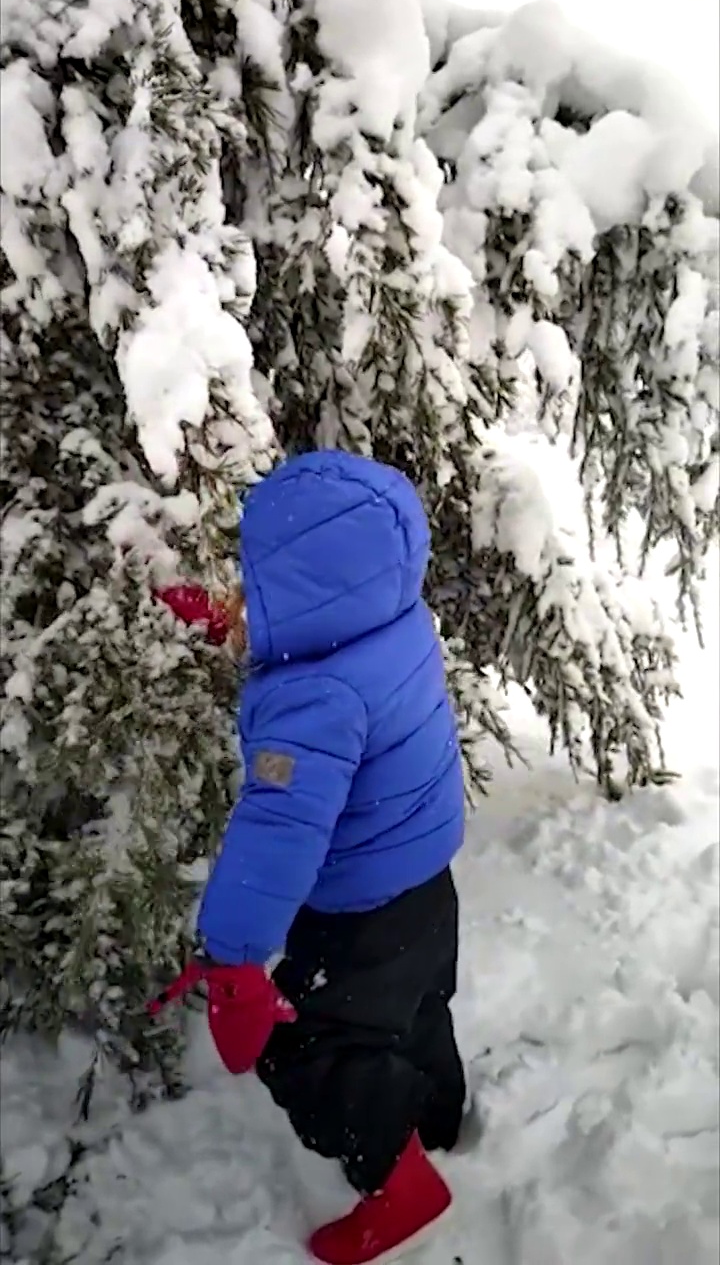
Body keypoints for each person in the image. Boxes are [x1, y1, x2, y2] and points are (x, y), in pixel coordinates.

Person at [150, 450, 469, 1265]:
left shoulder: (311, 700)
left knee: (315, 1049)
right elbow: (321, 643)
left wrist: (234, 961)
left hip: (357, 908)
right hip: (425, 887)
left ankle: (401, 1185)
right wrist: (231, 625)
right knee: (416, 1006)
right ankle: (438, 1115)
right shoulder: (393, 621)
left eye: (256, 577)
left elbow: (277, 834)